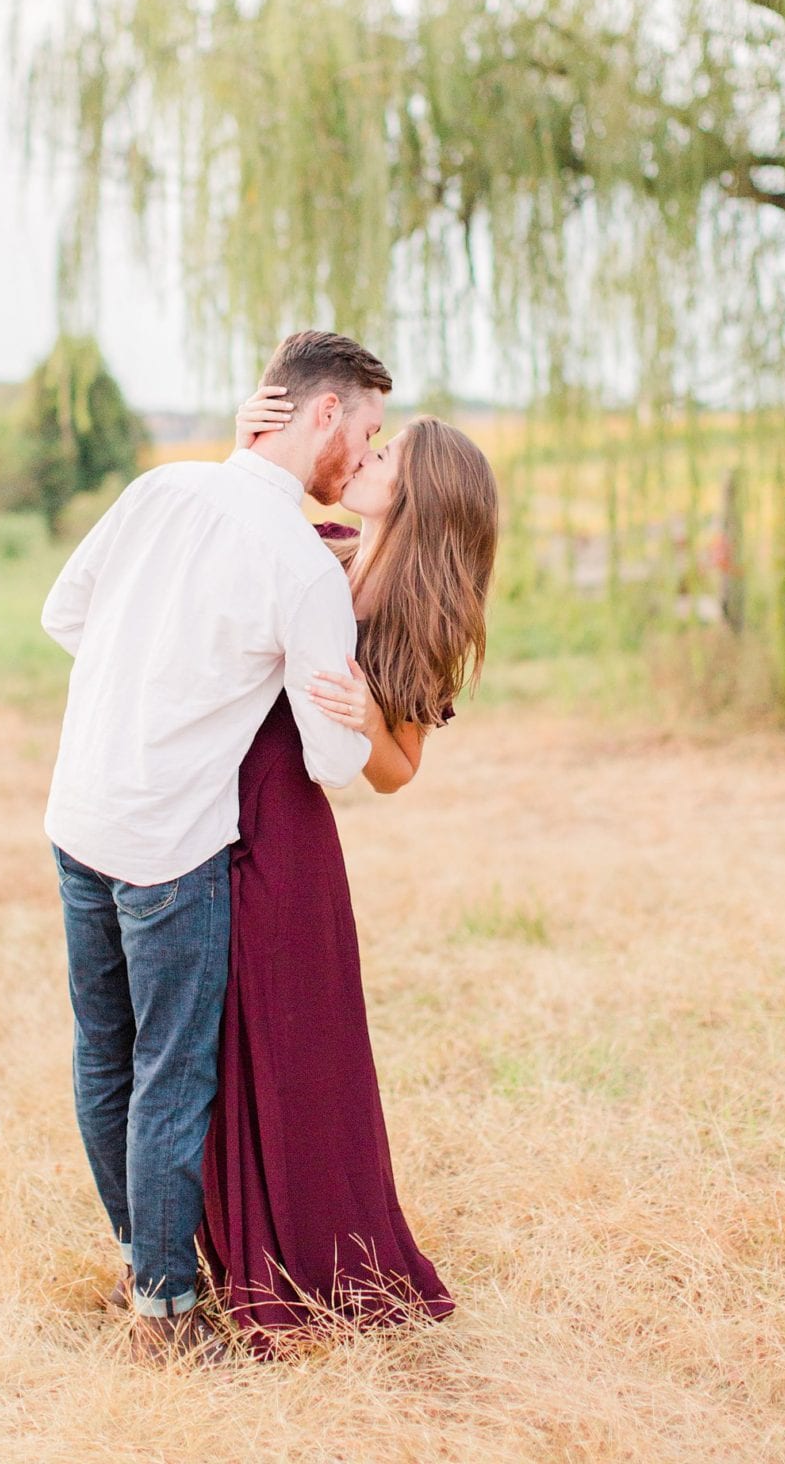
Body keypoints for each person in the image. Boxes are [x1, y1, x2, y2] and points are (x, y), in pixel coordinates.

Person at [40, 331, 392, 1365]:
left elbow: (66, 613)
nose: (364, 458)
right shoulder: (301, 565)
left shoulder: (159, 492)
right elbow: (331, 757)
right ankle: (166, 1307)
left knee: (103, 1051)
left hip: (77, 810)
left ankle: (138, 1264)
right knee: (169, 1073)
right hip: (169, 842)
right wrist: (364, 704)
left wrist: (158, 653)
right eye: (366, 434)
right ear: (323, 415)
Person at [198, 383, 499, 1353]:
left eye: (385, 458)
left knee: (295, 1055)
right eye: (370, 445)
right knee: (208, 1040)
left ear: (419, 500)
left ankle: (316, 1261)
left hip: (287, 830)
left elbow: (399, 773)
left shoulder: (418, 613)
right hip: (202, 797)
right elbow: (232, 516)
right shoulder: (308, 543)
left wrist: (368, 719)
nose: (363, 459)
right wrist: (251, 441)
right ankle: (214, 1251)